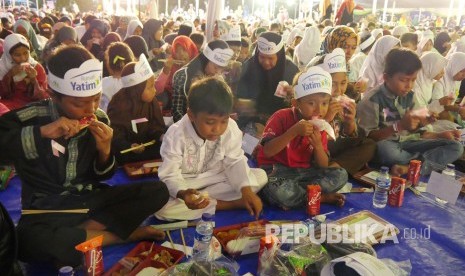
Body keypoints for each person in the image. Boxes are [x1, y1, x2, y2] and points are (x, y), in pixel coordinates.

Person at [0, 45, 169, 267]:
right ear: (55, 96)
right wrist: (41, 133)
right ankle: (120, 235)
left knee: (157, 190)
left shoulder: (99, 118)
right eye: (79, 103)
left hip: (89, 201)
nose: (90, 109)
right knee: (25, 242)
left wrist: (105, 149)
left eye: (96, 99)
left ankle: (78, 238)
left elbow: (102, 176)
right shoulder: (33, 116)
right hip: (47, 208)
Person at [156, 76, 267, 220]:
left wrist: (245, 190)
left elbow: (235, 161)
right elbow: (170, 175)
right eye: (210, 122)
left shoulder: (231, 128)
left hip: (218, 179)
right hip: (188, 183)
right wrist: (184, 194)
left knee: (260, 176)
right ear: (191, 115)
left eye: (224, 121)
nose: (218, 129)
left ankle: (217, 202)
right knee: (161, 209)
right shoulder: (175, 134)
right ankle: (230, 204)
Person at [357, 48, 463, 174]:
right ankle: (421, 164)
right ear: (386, 77)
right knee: (385, 151)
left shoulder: (410, 96)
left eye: (413, 80)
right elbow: (368, 139)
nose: (409, 85)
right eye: (403, 80)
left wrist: (431, 128)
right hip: (388, 146)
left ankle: (408, 167)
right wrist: (399, 126)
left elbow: (418, 133)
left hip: (410, 144)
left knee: (456, 147)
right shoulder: (371, 100)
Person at [256, 66, 347, 210]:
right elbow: (267, 151)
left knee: (341, 174)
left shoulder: (321, 125)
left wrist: (317, 146)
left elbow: (323, 165)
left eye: (324, 103)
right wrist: (293, 132)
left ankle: (302, 195)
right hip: (277, 171)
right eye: (311, 103)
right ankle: (317, 197)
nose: (319, 110)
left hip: (305, 172)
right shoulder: (281, 117)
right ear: (296, 103)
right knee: (275, 188)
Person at [315, 49, 376, 176]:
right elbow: (309, 135)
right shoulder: (314, 101)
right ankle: (335, 171)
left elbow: (348, 136)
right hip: (317, 148)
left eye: (343, 83)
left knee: (369, 145)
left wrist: (350, 122)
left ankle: (333, 169)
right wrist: (327, 117)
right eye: (332, 84)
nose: (338, 90)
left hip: (335, 148)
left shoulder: (346, 99)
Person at [107, 54, 166, 164]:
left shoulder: (151, 101)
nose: (155, 91)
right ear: (136, 90)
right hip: (128, 151)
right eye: (150, 87)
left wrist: (161, 136)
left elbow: (155, 126)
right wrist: (129, 145)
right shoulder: (118, 105)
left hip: (148, 147)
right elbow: (114, 134)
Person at [236, 31, 299, 132]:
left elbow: (300, 105)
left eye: (270, 58)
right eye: (261, 57)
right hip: (251, 124)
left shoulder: (291, 71)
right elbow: (240, 97)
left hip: (281, 126)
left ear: (279, 56)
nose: (266, 62)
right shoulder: (249, 67)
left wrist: (293, 94)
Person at [172, 40, 234, 122]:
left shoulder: (219, 78)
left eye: (222, 69)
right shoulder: (183, 76)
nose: (218, 72)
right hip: (186, 126)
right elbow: (177, 110)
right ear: (205, 60)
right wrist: (194, 128)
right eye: (216, 67)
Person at [0, 34, 48, 111]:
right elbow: (2, 94)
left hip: (33, 106)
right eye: (17, 55)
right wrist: (10, 75)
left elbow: (44, 97)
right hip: (9, 105)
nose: (23, 58)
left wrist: (33, 80)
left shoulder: (37, 67)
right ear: (8, 55)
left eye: (26, 53)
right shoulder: (3, 67)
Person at [155, 35, 198, 111]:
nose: (181, 54)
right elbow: (157, 90)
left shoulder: (198, 66)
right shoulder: (171, 65)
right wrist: (165, 71)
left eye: (184, 50)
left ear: (191, 50)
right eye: (177, 51)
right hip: (172, 102)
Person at [100, 42, 135, 112]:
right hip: (135, 121)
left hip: (109, 121)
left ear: (109, 64)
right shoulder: (136, 80)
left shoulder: (103, 83)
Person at [431, 52, 465, 120]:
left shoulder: (456, 79)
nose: (464, 75)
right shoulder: (440, 78)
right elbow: (437, 105)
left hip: (447, 111)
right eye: (462, 71)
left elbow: (452, 102)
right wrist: (458, 109)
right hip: (434, 114)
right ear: (454, 66)